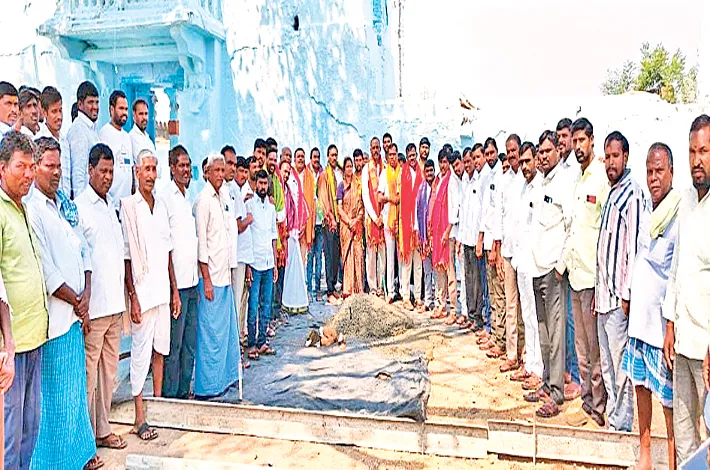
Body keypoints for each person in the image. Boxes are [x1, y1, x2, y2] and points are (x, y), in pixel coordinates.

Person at [26, 137, 99, 470]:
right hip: (56, 320)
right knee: (54, 400)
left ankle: (77, 457)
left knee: (74, 395)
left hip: (75, 317)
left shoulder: (65, 205)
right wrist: (76, 301)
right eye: (49, 166)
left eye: (59, 166)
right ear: (35, 167)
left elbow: (84, 250)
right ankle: (54, 463)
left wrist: (86, 296)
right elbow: (47, 270)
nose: (56, 172)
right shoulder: (33, 210)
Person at [622, 143, 679, 469]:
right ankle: (645, 458)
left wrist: (671, 325)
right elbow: (638, 258)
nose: (654, 178)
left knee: (668, 404)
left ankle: (672, 463)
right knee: (640, 388)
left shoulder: (678, 215)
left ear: (671, 172)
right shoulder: (647, 211)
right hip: (639, 323)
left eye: (659, 171)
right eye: (649, 171)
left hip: (661, 328)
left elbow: (674, 275)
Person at [121, 149, 181, 441]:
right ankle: (139, 417)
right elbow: (127, 257)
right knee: (141, 353)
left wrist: (175, 291)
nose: (151, 174)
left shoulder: (161, 206)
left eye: (154, 169)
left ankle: (156, 406)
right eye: (146, 169)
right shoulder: (130, 207)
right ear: (137, 172)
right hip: (143, 294)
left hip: (162, 291)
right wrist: (132, 296)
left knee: (160, 350)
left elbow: (168, 251)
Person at [0, 132, 49, 469]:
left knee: (30, 429)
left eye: (32, 167)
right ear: (2, 168)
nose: (29, 174)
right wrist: (7, 342)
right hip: (11, 347)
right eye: (21, 167)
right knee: (10, 437)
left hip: (34, 338)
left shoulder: (24, 208)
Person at [75, 143, 128, 452]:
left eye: (111, 171)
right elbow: (80, 259)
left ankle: (103, 431)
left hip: (114, 306)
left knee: (108, 374)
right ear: (90, 170)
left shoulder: (110, 206)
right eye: (102, 171)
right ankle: (84, 442)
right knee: (87, 378)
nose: (108, 177)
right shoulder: (80, 207)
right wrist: (83, 309)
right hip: (93, 311)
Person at [596, 131, 650, 432]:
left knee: (620, 366)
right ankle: (614, 418)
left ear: (626, 157)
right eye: (608, 157)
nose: (611, 162)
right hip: (603, 297)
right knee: (607, 363)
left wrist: (628, 294)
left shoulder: (633, 194)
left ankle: (623, 423)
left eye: (615, 156)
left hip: (619, 299)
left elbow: (635, 249)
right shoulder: (613, 192)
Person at [563, 118, 609, 428]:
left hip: (593, 280)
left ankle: (599, 406)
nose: (578, 146)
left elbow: (605, 233)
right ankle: (587, 402)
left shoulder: (600, 178)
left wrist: (601, 283)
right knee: (582, 347)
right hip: (575, 276)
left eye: (582, 140)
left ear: (591, 140)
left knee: (595, 349)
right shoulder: (578, 179)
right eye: (575, 141)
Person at [669, 115, 710, 463]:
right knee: (684, 436)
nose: (697, 160)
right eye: (692, 152)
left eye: (704, 151)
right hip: (683, 342)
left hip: (707, 349)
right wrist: (670, 323)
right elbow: (677, 267)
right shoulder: (685, 201)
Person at [525, 130, 573, 418]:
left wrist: (560, 266)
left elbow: (571, 226)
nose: (542, 156)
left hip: (553, 272)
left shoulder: (564, 182)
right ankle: (546, 384)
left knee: (555, 337)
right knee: (543, 333)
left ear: (558, 150)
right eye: (540, 152)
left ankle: (556, 393)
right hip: (536, 268)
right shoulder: (539, 183)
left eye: (547, 151)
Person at [193, 153, 241, 395]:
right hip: (210, 278)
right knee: (211, 335)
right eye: (217, 171)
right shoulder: (203, 201)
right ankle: (208, 387)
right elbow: (201, 244)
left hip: (225, 275)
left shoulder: (224, 197)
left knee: (226, 334)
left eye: (223, 170)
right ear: (207, 173)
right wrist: (207, 281)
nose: (221, 175)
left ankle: (225, 379)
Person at [159, 145, 199, 399]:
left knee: (190, 344)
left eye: (188, 165)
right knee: (173, 346)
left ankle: (184, 394)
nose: (185, 170)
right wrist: (174, 290)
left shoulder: (186, 197)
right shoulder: (165, 198)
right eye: (181, 165)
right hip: (177, 287)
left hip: (192, 282)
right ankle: (171, 397)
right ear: (172, 167)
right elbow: (167, 249)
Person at [510, 142, 544, 390]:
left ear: (536, 161)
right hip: (521, 262)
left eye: (527, 161)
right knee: (527, 316)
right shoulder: (522, 188)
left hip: (535, 264)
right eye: (521, 162)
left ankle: (538, 369)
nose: (524, 166)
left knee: (535, 318)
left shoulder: (540, 187)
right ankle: (529, 363)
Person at [557, 117, 582, 398]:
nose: (564, 142)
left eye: (568, 137)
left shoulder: (578, 172)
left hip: (575, 261)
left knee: (575, 323)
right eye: (562, 137)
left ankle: (576, 375)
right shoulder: (560, 171)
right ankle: (566, 368)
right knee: (564, 320)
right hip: (560, 260)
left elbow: (573, 222)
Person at [498, 135, 526, 373]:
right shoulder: (504, 180)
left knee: (526, 308)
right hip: (507, 251)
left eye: (514, 150)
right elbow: (500, 216)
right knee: (510, 306)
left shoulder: (529, 178)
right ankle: (511, 355)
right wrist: (498, 251)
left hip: (525, 254)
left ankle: (526, 356)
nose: (511, 154)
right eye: (508, 151)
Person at [246, 170, 278, 360]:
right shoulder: (249, 205)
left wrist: (275, 263)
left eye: (265, 184)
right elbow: (246, 237)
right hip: (255, 262)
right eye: (260, 183)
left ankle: (262, 342)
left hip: (268, 262)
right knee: (253, 305)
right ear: (256, 184)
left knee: (266, 305)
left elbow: (274, 236)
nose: (263, 187)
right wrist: (248, 266)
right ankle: (251, 344)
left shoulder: (271, 208)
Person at [479, 138, 506, 358]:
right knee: (493, 293)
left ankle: (501, 339)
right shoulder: (488, 176)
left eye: (491, 153)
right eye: (486, 153)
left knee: (499, 294)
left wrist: (496, 247)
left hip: (497, 244)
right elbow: (485, 212)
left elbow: (498, 215)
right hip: (488, 242)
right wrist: (482, 239)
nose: (489, 157)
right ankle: (495, 335)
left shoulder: (501, 175)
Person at [429, 150, 461, 320]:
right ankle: (441, 305)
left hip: (448, 233)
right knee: (439, 271)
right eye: (440, 162)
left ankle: (453, 310)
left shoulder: (452, 181)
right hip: (437, 232)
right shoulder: (438, 181)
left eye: (445, 162)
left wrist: (447, 231)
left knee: (450, 271)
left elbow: (455, 208)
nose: (443, 165)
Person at [458, 145, 484, 328]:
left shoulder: (479, 181)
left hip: (475, 240)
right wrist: (460, 240)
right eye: (466, 162)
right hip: (466, 238)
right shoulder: (465, 182)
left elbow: (482, 213)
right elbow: (463, 213)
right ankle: (470, 314)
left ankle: (478, 318)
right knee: (468, 278)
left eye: (470, 161)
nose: (468, 165)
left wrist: (479, 240)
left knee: (476, 281)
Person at [397, 144, 424, 311]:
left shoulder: (421, 173)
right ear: (407, 157)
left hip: (418, 226)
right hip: (407, 224)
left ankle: (418, 297)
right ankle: (406, 296)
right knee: (406, 263)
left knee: (418, 264)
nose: (412, 158)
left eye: (414, 155)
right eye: (410, 156)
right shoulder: (403, 173)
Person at [281, 160, 309, 313]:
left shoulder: (289, 188)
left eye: (288, 172)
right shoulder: (280, 189)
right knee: (287, 270)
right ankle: (286, 301)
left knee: (294, 268)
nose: (286, 174)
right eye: (284, 171)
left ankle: (294, 301)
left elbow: (300, 205)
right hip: (284, 235)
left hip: (292, 234)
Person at [99, 90, 134, 210]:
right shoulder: (104, 135)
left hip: (126, 205)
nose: (124, 113)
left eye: (126, 109)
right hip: (111, 205)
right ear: (111, 109)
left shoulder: (127, 137)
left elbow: (131, 170)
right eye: (121, 108)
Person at [317, 144, 342, 305]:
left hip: (337, 221)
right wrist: (330, 217)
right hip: (328, 222)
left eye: (335, 155)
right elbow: (323, 199)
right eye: (332, 155)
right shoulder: (324, 175)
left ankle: (333, 286)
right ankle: (330, 290)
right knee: (329, 257)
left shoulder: (335, 173)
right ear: (327, 156)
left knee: (335, 256)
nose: (334, 158)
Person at [337, 157, 365, 297]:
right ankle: (347, 288)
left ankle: (358, 287)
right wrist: (349, 222)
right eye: (347, 166)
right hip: (346, 226)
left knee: (358, 254)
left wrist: (356, 220)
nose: (349, 169)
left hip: (357, 225)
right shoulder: (341, 186)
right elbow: (339, 208)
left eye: (350, 166)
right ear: (344, 169)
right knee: (348, 255)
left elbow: (361, 206)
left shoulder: (357, 185)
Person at [67, 81, 100, 198]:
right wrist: (81, 204)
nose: (95, 107)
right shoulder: (78, 130)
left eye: (97, 102)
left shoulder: (91, 129)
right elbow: (78, 173)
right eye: (90, 102)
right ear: (80, 105)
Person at [378, 143, 401, 303]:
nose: (393, 157)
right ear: (387, 157)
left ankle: (403, 290)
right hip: (388, 220)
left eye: (395, 154)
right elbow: (379, 197)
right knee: (390, 258)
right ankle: (390, 291)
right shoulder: (384, 174)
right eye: (390, 155)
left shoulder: (402, 172)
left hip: (402, 220)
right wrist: (390, 198)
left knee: (402, 257)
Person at [234, 157, 255, 338]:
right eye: (240, 171)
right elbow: (239, 226)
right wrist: (248, 219)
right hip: (237, 256)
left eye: (245, 171)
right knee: (236, 301)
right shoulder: (234, 193)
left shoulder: (241, 193)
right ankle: (236, 340)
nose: (243, 174)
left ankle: (240, 336)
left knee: (243, 300)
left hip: (245, 257)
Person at [36, 86, 70, 196]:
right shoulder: (38, 142)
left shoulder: (65, 141)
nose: (59, 116)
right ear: (44, 113)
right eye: (54, 111)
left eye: (60, 111)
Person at [416, 159, 436, 311]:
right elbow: (417, 211)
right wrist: (419, 233)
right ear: (424, 173)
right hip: (424, 237)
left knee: (438, 272)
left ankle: (439, 302)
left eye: (431, 170)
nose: (429, 173)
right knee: (427, 271)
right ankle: (428, 300)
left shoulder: (437, 187)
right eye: (427, 171)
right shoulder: (421, 189)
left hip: (436, 236)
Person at [305, 148, 324, 301]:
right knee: (309, 257)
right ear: (311, 159)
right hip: (309, 223)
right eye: (314, 157)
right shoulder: (306, 174)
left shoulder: (323, 175)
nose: (316, 159)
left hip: (321, 223)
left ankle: (317, 288)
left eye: (318, 157)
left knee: (319, 257)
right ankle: (308, 289)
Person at [294, 148, 314, 267]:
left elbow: (312, 203)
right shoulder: (290, 175)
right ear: (294, 159)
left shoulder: (309, 177)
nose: (301, 159)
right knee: (292, 262)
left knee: (302, 262)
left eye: (302, 156)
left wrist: (309, 227)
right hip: (292, 225)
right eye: (298, 156)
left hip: (305, 224)